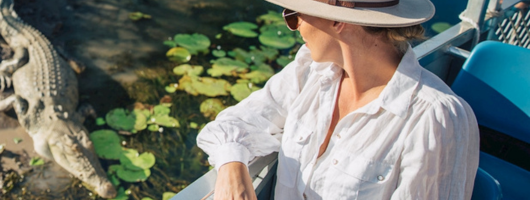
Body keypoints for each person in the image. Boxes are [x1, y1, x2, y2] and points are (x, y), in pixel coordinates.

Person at [196, 0, 480, 199]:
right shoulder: (310, 71)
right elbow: (231, 124)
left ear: (338, 21)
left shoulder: (436, 119)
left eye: (294, 14)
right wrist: (233, 170)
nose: (294, 28)